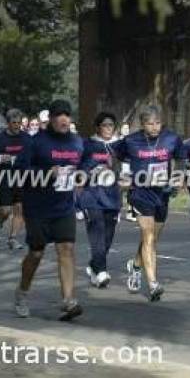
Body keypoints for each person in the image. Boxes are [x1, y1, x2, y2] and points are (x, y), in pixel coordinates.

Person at [14, 100, 84, 320]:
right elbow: (19, 171)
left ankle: (68, 300)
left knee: (67, 248)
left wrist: (83, 177)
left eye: (67, 115)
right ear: (50, 119)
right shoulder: (36, 142)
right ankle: (22, 292)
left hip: (63, 206)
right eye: (58, 115)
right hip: (37, 207)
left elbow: (82, 166)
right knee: (36, 253)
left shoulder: (76, 142)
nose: (63, 119)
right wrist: (46, 172)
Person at [112, 106, 186, 301]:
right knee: (149, 236)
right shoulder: (131, 140)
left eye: (158, 123)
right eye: (150, 124)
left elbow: (180, 158)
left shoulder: (171, 138)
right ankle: (153, 283)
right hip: (141, 193)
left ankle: (136, 266)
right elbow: (115, 156)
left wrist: (178, 176)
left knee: (152, 239)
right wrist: (121, 176)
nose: (155, 128)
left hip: (162, 192)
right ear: (143, 124)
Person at [79, 112, 121, 288]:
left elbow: (124, 169)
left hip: (112, 196)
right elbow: (78, 170)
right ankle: (102, 271)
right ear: (97, 127)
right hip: (92, 196)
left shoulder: (119, 145)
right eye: (104, 125)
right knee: (97, 232)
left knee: (108, 237)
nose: (108, 128)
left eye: (111, 125)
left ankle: (94, 265)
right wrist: (92, 170)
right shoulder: (87, 145)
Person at [0, 109, 30, 250]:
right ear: (8, 123)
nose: (17, 125)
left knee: (19, 209)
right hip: (4, 178)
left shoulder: (26, 138)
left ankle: (12, 238)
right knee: (5, 210)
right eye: (14, 123)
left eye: (19, 123)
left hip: (22, 178)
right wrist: (0, 158)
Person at [119, 122, 135, 222]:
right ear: (120, 130)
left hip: (130, 166)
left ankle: (130, 212)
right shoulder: (117, 141)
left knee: (131, 190)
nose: (126, 130)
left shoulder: (132, 140)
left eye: (127, 128)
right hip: (121, 166)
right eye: (124, 128)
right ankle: (117, 212)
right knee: (120, 190)